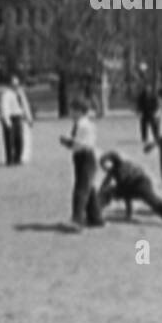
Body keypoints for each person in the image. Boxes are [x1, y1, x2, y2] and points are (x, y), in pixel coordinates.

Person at [98, 151, 162, 227]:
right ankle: (95, 212)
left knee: (153, 201)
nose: (104, 168)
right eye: (102, 166)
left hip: (140, 184)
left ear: (112, 163)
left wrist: (128, 213)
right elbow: (105, 187)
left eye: (104, 166)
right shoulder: (115, 169)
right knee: (107, 191)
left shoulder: (121, 169)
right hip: (135, 185)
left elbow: (124, 189)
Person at [59, 98, 103, 229]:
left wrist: (67, 142)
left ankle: (77, 219)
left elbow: (81, 144)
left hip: (85, 156)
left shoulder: (83, 125)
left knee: (81, 188)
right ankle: (95, 216)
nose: (70, 112)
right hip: (81, 156)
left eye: (72, 110)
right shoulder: (81, 123)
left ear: (78, 111)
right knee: (89, 186)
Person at [0, 76, 32, 165]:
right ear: (10, 84)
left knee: (19, 139)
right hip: (10, 118)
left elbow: (25, 106)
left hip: (18, 117)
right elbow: (4, 108)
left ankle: (18, 158)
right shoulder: (6, 94)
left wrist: (29, 118)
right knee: (9, 140)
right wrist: (7, 121)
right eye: (14, 84)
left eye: (17, 84)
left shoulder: (20, 93)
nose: (16, 86)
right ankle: (9, 159)